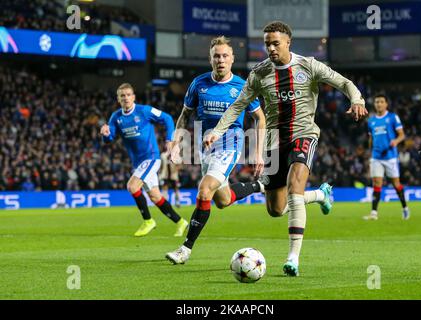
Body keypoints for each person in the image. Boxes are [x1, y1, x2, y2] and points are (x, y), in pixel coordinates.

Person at [203, 21, 368, 276]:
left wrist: (357, 99)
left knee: (295, 185)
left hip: (303, 135)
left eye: (275, 43)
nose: (270, 48)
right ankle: (321, 195)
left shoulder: (308, 65)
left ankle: (293, 258)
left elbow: (345, 83)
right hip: (274, 143)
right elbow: (237, 106)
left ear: (288, 42)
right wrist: (216, 131)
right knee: (276, 210)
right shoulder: (259, 74)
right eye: (267, 43)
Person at [165, 36, 266, 264]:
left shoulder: (241, 86)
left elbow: (260, 118)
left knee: (204, 190)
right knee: (222, 199)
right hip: (206, 149)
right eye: (216, 56)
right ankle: (260, 185)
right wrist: (175, 141)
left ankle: (185, 249)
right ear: (210, 59)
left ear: (232, 59)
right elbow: (185, 115)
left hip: (230, 144)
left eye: (224, 56)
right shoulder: (198, 84)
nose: (220, 60)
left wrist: (258, 152)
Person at [100, 83, 189, 237]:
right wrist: (105, 134)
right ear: (118, 99)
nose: (126, 98)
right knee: (155, 196)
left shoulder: (144, 111)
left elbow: (167, 118)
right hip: (138, 163)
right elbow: (110, 139)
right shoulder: (116, 117)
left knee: (132, 186)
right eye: (122, 96)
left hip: (151, 157)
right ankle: (180, 222)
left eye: (128, 94)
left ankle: (148, 220)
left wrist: (169, 139)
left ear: (133, 97)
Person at [364, 94, 410, 221]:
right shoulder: (371, 121)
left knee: (396, 184)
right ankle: (374, 213)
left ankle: (405, 208)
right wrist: (370, 150)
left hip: (390, 156)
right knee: (377, 183)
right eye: (377, 102)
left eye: (381, 102)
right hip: (376, 156)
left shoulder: (392, 117)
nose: (379, 104)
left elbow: (402, 135)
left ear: (386, 104)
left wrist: (395, 141)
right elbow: (371, 138)